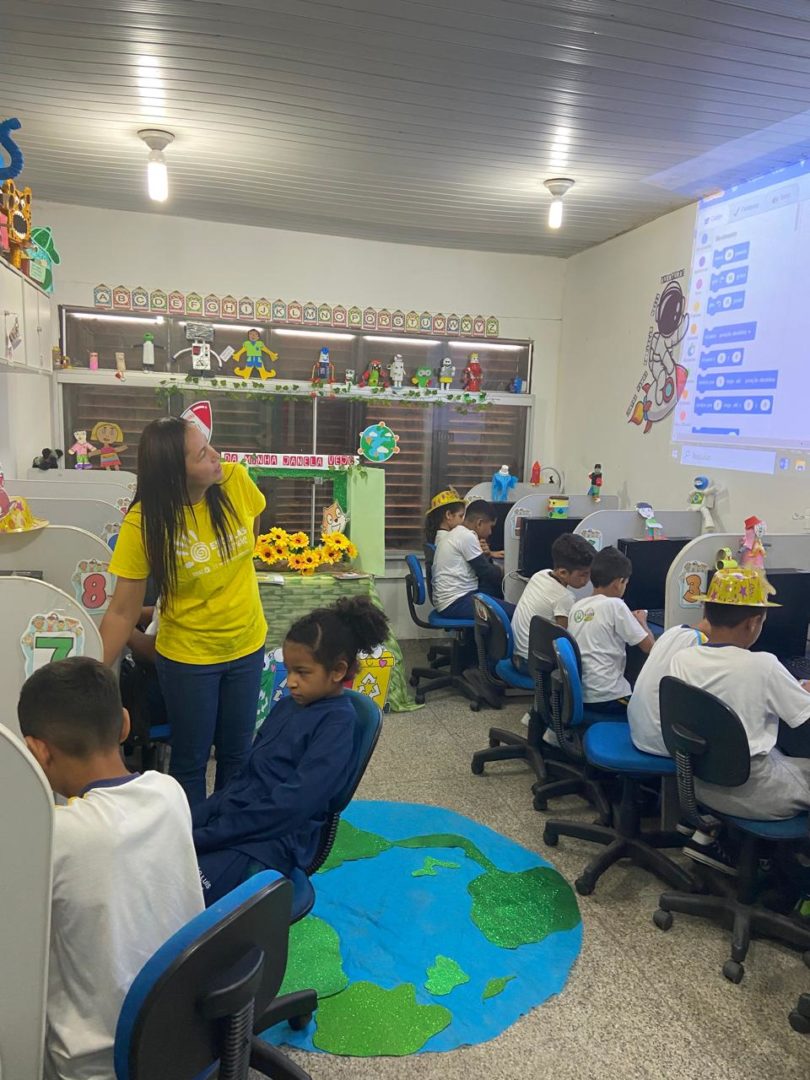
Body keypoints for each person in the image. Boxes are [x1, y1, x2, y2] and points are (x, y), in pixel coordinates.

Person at [18, 658, 204, 1080]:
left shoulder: (55, 835)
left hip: (92, 1065)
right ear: (123, 725)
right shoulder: (169, 791)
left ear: (37, 751)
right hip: (177, 1034)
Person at [101, 416, 267, 805]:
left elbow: (253, 525)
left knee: (237, 756)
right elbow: (122, 611)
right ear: (176, 473)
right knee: (190, 762)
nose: (216, 456)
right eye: (202, 454)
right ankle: (191, 849)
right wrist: (91, 674)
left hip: (246, 644)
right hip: (188, 658)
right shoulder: (145, 522)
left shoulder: (235, 481)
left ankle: (228, 845)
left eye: (210, 446)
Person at [193, 597, 389, 905]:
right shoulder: (288, 706)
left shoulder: (336, 726)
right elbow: (247, 776)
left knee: (180, 896)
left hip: (270, 841)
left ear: (337, 671)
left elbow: (290, 806)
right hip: (239, 820)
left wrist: (208, 835)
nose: (291, 682)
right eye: (289, 670)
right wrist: (195, 819)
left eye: (302, 672)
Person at [670, 567, 810, 822]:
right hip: (754, 792)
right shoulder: (764, 665)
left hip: (698, 783)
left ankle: (717, 839)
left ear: (706, 613)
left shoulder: (682, 658)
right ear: (753, 622)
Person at [568, 546, 653, 711]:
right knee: (653, 707)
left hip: (581, 694)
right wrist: (642, 621)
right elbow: (649, 647)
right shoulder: (615, 605)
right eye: (625, 583)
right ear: (618, 583)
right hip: (610, 697)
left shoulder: (577, 607)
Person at [628, 620, 710, 757]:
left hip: (638, 731)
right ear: (751, 624)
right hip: (665, 743)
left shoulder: (674, 631)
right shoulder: (702, 643)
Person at [511, 532, 595, 663]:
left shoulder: (540, 574)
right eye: (583, 574)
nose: (587, 580)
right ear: (563, 572)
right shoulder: (564, 597)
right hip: (533, 664)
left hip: (516, 652)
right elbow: (564, 639)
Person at [428, 493, 514, 620]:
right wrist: (509, 570)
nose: (490, 532)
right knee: (515, 612)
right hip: (455, 603)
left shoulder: (457, 533)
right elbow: (487, 572)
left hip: (452, 599)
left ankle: (478, 640)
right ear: (479, 523)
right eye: (490, 527)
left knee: (494, 593)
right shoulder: (466, 536)